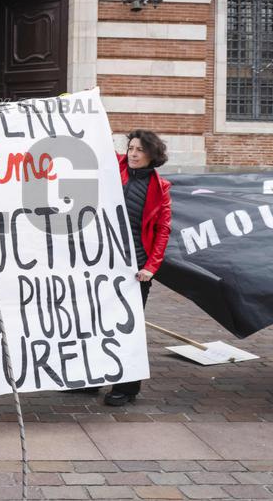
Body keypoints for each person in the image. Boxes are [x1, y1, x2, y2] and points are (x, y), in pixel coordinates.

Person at [105, 130, 172, 407]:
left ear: (151, 155)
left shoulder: (161, 187)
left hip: (136, 269)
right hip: (104, 262)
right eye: (130, 148)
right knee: (96, 323)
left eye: (139, 150)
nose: (132, 153)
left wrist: (151, 267)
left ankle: (127, 387)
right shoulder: (114, 167)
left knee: (128, 328)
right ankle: (90, 380)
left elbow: (163, 229)